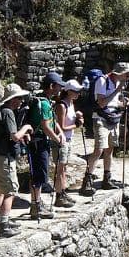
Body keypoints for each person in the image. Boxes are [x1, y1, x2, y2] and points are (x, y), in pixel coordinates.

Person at [80, 62, 129, 195]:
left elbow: (113, 102)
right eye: (126, 74)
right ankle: (87, 180)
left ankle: (107, 179)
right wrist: (117, 90)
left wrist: (124, 104)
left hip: (113, 117)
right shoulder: (102, 81)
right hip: (100, 118)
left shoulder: (117, 83)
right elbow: (101, 102)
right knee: (99, 149)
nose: (127, 77)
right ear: (118, 73)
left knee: (109, 149)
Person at [0, 83, 33, 238]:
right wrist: (27, 128)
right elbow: (14, 136)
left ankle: (1, 219)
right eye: (19, 98)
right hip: (5, 157)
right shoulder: (8, 112)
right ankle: (3, 225)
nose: (21, 101)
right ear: (13, 99)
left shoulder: (0, 111)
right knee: (11, 190)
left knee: (0, 188)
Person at [25, 72, 65, 220]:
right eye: (58, 86)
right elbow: (46, 127)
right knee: (39, 174)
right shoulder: (45, 103)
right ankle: (36, 206)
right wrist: (57, 139)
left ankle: (36, 204)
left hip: (37, 142)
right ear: (51, 86)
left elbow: (49, 124)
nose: (60, 89)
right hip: (39, 143)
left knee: (38, 173)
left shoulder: (42, 101)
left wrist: (58, 133)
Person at [52, 79, 83, 207]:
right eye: (75, 91)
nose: (78, 93)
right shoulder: (62, 105)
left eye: (79, 91)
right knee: (60, 168)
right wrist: (76, 125)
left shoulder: (71, 104)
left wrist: (77, 116)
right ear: (68, 91)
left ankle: (62, 192)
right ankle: (59, 196)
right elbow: (61, 126)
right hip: (61, 140)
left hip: (69, 140)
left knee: (63, 168)